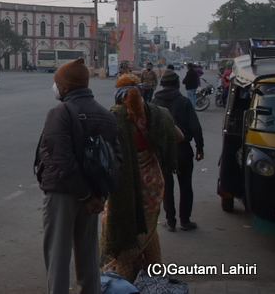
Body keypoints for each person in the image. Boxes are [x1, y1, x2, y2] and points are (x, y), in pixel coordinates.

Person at [37, 58, 121, 294]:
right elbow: (116, 160)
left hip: (63, 192)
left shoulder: (60, 112)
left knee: (58, 254)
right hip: (94, 195)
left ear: (66, 86)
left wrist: (84, 194)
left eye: (56, 82)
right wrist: (99, 195)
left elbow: (61, 159)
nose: (55, 86)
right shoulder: (106, 114)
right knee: (88, 253)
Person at [100, 74, 181, 281]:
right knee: (147, 227)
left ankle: (122, 280)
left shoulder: (115, 117)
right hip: (153, 183)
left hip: (125, 187)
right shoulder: (156, 114)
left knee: (124, 234)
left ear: (118, 95)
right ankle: (155, 273)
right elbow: (179, 136)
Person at [154, 69, 204, 231]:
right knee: (185, 185)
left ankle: (170, 221)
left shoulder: (155, 103)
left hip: (163, 150)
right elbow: (195, 127)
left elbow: (149, 128)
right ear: (177, 85)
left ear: (161, 85)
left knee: (167, 186)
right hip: (183, 148)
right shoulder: (184, 102)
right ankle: (185, 220)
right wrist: (199, 147)